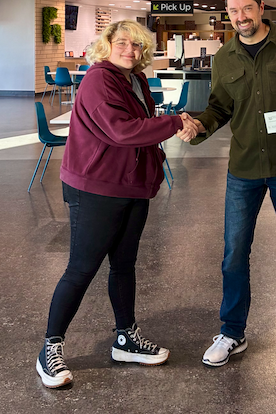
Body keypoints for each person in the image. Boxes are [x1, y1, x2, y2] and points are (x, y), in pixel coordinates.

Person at [36, 20, 194, 389]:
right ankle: (50, 348)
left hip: (131, 186)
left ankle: (125, 337)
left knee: (124, 265)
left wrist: (171, 123)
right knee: (81, 268)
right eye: (122, 43)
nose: (130, 50)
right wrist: (174, 123)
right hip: (96, 188)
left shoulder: (135, 80)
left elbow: (140, 122)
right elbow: (120, 130)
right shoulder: (98, 79)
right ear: (106, 44)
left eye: (137, 46)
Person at [180, 0, 276, 368]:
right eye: (233, 11)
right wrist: (199, 126)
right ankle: (232, 332)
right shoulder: (225, 57)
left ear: (261, 8)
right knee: (233, 255)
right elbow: (219, 109)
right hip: (243, 169)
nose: (241, 17)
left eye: (247, 8)